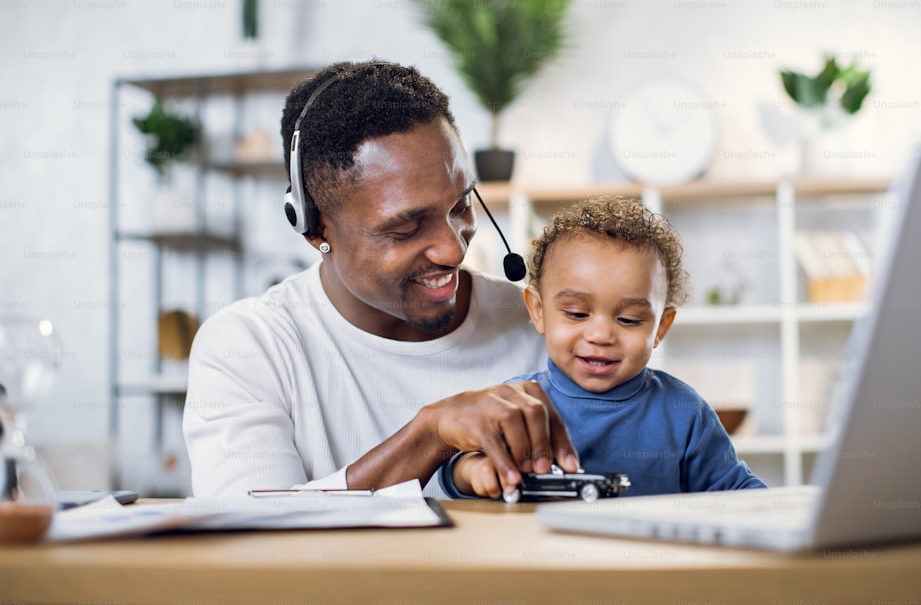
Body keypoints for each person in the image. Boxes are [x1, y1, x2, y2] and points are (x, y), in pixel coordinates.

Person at [182, 60, 579, 498]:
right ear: (316, 229)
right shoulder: (249, 347)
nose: (453, 249)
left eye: (461, 205)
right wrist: (430, 436)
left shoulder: (540, 325)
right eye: (405, 229)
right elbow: (249, 538)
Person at [440, 196, 766, 499]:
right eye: (578, 314)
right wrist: (472, 471)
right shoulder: (516, 404)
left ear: (660, 327)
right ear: (539, 311)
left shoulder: (684, 411)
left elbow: (738, 493)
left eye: (628, 320)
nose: (600, 335)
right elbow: (451, 473)